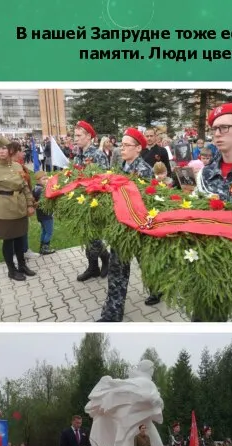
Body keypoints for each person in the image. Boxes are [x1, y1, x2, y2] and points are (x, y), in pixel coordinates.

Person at [98, 128, 155, 322]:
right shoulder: (119, 166)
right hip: (122, 229)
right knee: (117, 270)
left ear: (138, 148)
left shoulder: (145, 170)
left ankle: (157, 289)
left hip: (138, 228)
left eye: (126, 145)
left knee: (146, 264)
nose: (122, 148)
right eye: (121, 144)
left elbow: (149, 200)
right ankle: (113, 313)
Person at [0, 136, 36, 281]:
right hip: (4, 209)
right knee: (8, 241)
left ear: (10, 150)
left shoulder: (18, 166)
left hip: (19, 207)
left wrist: (30, 204)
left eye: (4, 148)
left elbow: (25, 187)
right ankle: (11, 270)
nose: (1, 151)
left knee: (20, 238)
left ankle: (22, 265)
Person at [73, 121, 111, 282]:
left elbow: (104, 180)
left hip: (95, 202)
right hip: (81, 202)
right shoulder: (77, 155)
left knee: (94, 235)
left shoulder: (98, 155)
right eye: (74, 135)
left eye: (79, 135)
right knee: (87, 235)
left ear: (89, 136)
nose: (75, 139)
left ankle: (105, 257)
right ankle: (93, 267)